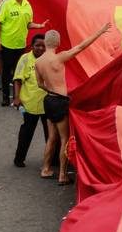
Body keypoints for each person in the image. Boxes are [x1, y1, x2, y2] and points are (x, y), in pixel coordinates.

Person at [35, 24, 111, 185]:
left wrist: (50, 89)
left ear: (46, 42)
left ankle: (46, 169)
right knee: (64, 138)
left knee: (51, 137)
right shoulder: (59, 57)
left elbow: (39, 84)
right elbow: (82, 46)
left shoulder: (38, 62)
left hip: (48, 100)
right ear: (57, 43)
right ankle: (62, 174)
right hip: (60, 100)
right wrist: (100, 31)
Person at [0, 0, 47, 108]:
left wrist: (40, 25)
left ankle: (19, 97)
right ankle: (6, 97)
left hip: (20, 44)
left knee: (18, 72)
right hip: (7, 43)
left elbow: (28, 24)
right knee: (6, 71)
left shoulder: (27, 5)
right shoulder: (6, 4)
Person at [11, 34, 55, 171]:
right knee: (26, 133)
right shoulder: (25, 59)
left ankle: (52, 160)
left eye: (43, 46)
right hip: (29, 104)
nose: (41, 48)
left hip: (47, 104)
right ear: (32, 46)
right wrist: (17, 98)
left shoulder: (50, 59)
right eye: (38, 45)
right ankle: (19, 158)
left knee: (51, 134)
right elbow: (17, 79)